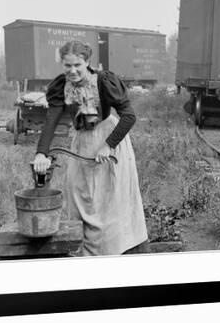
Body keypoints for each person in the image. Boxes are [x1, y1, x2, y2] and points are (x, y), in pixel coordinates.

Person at [33, 40, 148, 256]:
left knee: (108, 199)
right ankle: (85, 253)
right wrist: (41, 152)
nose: (73, 71)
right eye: (68, 66)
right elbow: (52, 120)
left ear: (87, 62)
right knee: (79, 194)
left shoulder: (104, 81)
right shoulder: (61, 86)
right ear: (62, 65)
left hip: (109, 139)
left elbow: (129, 116)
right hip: (82, 142)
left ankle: (113, 251)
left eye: (77, 65)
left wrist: (108, 145)